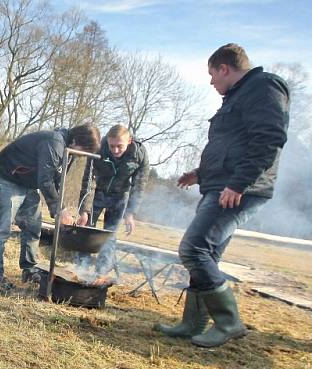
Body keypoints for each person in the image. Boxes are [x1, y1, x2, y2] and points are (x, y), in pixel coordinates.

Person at [155, 43, 290, 348]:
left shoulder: (263, 87)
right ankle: (193, 323)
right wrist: (200, 174)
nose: (211, 81)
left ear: (224, 68)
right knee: (207, 254)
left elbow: (269, 139)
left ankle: (229, 323)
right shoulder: (239, 95)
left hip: (239, 188)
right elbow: (231, 146)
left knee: (193, 249)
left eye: (212, 74)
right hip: (222, 184)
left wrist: (239, 184)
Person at [0, 124, 101, 292]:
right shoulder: (54, 142)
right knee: (1, 230)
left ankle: (29, 269)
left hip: (27, 183)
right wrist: (59, 211)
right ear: (76, 140)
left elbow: (57, 180)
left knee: (33, 227)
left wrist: (64, 209)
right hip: (8, 179)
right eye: (83, 150)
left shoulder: (69, 150)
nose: (81, 156)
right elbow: (45, 180)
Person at [76, 125, 149, 283]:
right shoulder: (98, 148)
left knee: (109, 235)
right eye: (112, 146)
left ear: (129, 141)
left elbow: (140, 185)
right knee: (85, 230)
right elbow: (88, 179)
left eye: (119, 146)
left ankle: (101, 274)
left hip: (119, 197)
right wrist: (85, 210)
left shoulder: (140, 154)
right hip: (97, 193)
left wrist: (130, 213)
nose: (115, 150)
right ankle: (80, 270)